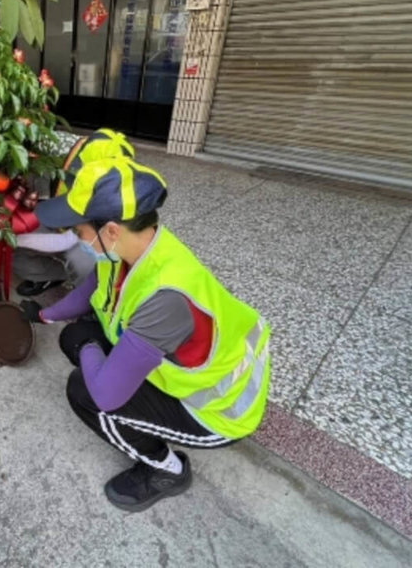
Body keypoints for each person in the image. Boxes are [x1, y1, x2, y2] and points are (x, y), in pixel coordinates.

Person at [21, 140, 271, 512]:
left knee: (86, 393)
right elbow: (89, 293)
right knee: (81, 339)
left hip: (217, 410)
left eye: (78, 229)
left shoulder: (165, 297)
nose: (75, 238)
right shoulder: (132, 247)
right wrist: (44, 317)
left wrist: (85, 345)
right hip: (184, 370)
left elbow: (106, 394)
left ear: (108, 231)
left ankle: (167, 469)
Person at [14, 129, 128, 296]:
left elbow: (68, 240)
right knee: (16, 255)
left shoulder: (118, 195)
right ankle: (56, 276)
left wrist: (21, 240)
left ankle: (94, 296)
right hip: (66, 213)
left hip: (95, 237)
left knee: (83, 260)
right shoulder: (55, 147)